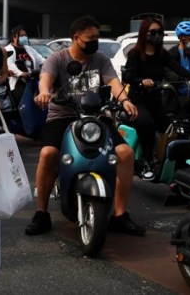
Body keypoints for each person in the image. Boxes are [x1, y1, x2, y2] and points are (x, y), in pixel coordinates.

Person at [28, 15, 147, 236]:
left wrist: (125, 100)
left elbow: (113, 81)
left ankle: (120, 215)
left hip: (96, 117)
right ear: (76, 38)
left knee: (125, 153)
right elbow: (46, 78)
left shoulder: (100, 59)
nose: (95, 42)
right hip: (62, 116)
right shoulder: (58, 58)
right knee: (47, 154)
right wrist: (44, 92)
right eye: (90, 38)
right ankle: (41, 213)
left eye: (96, 38)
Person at [122, 18, 190, 178]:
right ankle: (146, 161)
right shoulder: (135, 54)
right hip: (138, 100)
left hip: (156, 100)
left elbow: (179, 69)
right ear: (144, 34)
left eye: (160, 32)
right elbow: (128, 76)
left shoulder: (163, 55)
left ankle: (172, 163)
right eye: (152, 32)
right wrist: (141, 81)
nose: (157, 35)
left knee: (173, 128)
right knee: (146, 123)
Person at [5, 25, 45, 105]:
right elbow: (10, 63)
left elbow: (40, 59)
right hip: (19, 83)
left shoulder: (28, 49)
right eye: (22, 35)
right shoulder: (8, 49)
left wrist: (49, 65)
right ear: (14, 37)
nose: (24, 37)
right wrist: (20, 73)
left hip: (33, 80)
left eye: (25, 35)